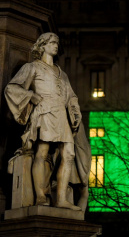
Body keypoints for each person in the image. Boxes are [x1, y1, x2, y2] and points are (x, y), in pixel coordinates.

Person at [5, 32, 91, 211]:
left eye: (56, 43)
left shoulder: (63, 74)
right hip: (44, 113)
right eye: (52, 42)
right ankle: (40, 196)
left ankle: (61, 199)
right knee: (42, 152)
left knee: (69, 154)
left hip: (61, 116)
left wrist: (74, 111)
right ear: (42, 45)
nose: (55, 45)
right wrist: (31, 95)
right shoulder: (33, 67)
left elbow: (71, 97)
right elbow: (12, 88)